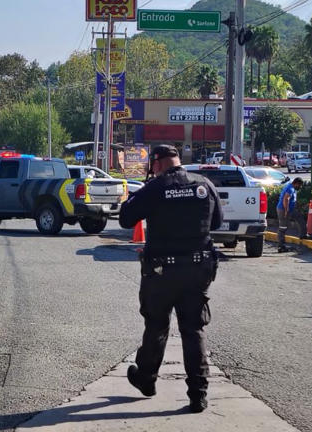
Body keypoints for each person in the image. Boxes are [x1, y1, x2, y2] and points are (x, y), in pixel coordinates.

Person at [119, 144, 223, 413]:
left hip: (162, 272)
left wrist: (139, 194)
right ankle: (198, 395)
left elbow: (125, 218)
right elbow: (216, 223)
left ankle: (146, 378)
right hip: (198, 269)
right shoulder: (203, 185)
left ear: (157, 163)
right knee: (193, 330)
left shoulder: (154, 188)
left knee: (156, 325)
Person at [276, 177, 308, 252]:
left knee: (299, 218)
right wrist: (286, 210)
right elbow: (286, 199)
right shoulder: (290, 188)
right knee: (283, 228)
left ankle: (303, 234)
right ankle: (281, 246)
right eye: (299, 185)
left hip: (289, 209)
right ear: (296, 183)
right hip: (284, 209)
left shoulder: (290, 187)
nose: (300, 187)